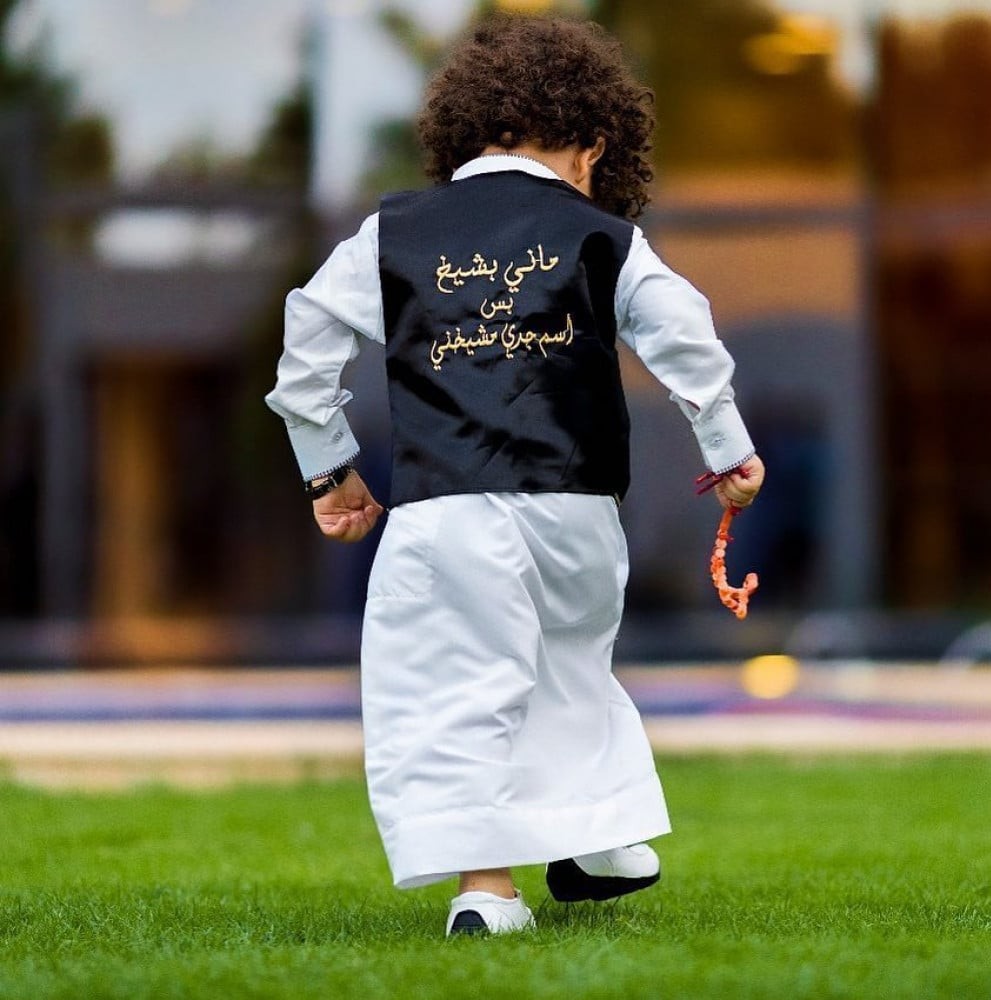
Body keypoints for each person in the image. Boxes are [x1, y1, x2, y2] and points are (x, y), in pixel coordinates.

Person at [266, 14, 765, 937]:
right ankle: (595, 839)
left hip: (448, 512)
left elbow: (308, 345)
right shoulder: (602, 235)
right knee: (567, 666)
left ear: (466, 130)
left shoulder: (392, 233)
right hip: (578, 513)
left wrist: (327, 468)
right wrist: (728, 448)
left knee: (458, 687)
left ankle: (488, 892)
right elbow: (684, 333)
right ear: (593, 146)